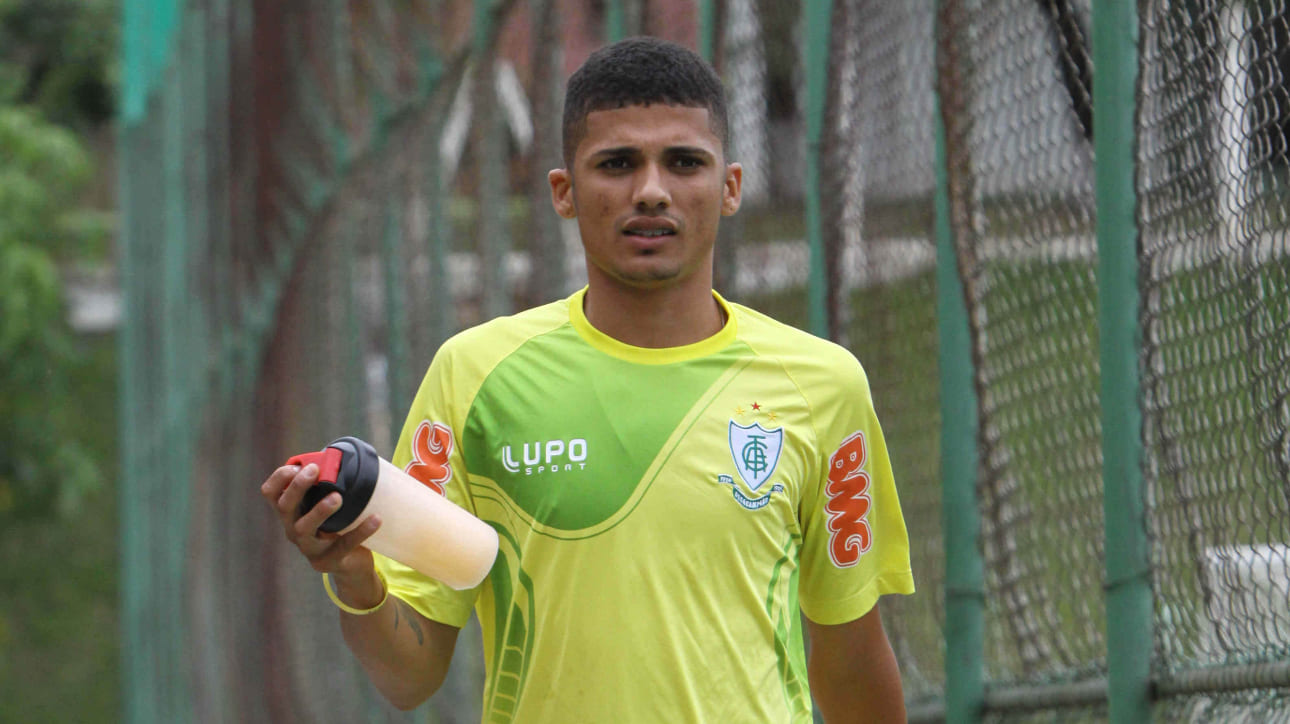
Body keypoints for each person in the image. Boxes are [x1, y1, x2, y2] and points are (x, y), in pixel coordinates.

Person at [261, 36, 914, 723]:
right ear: (564, 192)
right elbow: (410, 675)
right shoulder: (476, 375)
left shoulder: (823, 385)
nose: (652, 190)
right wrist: (355, 577)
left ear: (729, 188)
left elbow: (851, 661)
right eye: (618, 164)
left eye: (685, 162)